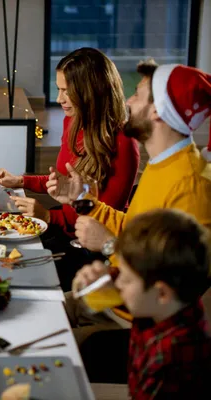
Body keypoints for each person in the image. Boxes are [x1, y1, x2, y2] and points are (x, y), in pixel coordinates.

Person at [53, 61, 211, 345]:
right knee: (34, 308)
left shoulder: (192, 185)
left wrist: (108, 246)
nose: (128, 100)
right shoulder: (163, 163)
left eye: (137, 94)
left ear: (157, 110)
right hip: (114, 297)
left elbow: (170, 289)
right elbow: (133, 228)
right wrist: (79, 199)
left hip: (138, 326)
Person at [0, 48, 140, 289]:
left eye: (67, 91)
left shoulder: (124, 143)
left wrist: (48, 216)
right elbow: (61, 181)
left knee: (11, 277)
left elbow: (103, 220)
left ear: (91, 92)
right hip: (64, 225)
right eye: (59, 89)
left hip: (92, 251)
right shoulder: (73, 120)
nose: (59, 99)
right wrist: (21, 181)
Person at [77, 209, 211, 399]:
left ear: (162, 292)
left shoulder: (171, 360)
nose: (119, 282)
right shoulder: (170, 302)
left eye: (126, 278)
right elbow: (139, 289)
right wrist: (107, 277)